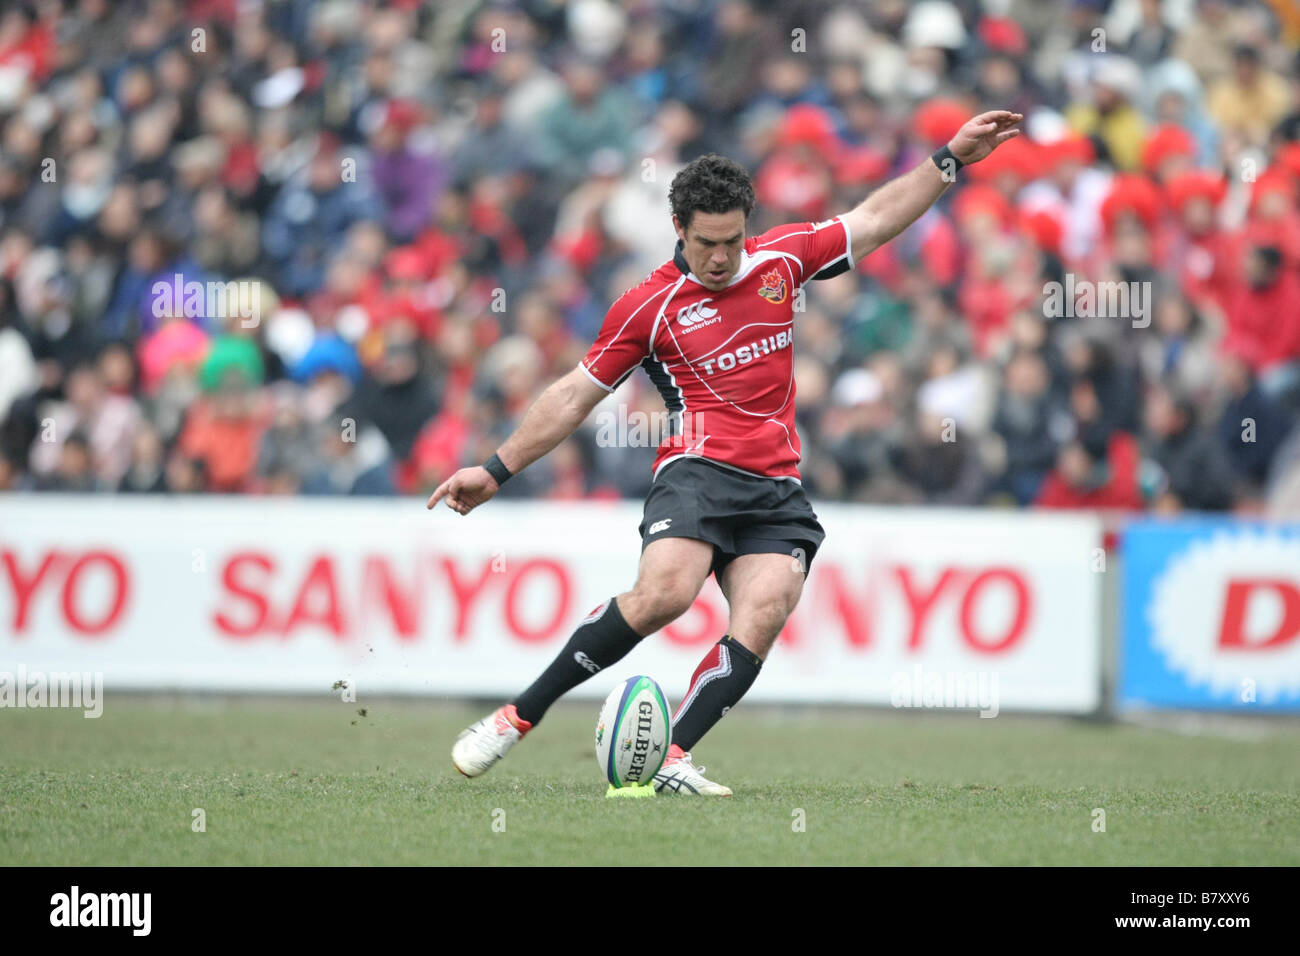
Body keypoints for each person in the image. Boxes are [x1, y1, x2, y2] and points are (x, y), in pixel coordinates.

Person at [429, 111, 1023, 795]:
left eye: (733, 240)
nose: (721, 256)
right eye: (707, 242)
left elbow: (876, 218)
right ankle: (515, 717)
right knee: (663, 596)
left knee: (767, 608)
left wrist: (948, 159)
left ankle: (673, 757)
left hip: (774, 481)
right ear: (679, 230)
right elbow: (572, 395)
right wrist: (497, 468)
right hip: (697, 469)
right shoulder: (646, 307)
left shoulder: (781, 259)